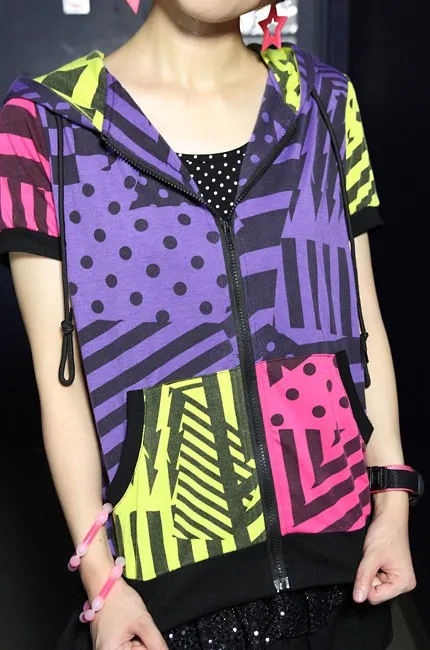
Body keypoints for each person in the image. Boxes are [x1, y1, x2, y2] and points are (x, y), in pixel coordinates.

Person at [0, 1, 421, 648]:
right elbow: (61, 386)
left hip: (345, 566)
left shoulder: (325, 100)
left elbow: (364, 314)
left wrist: (392, 497)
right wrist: (102, 583)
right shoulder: (43, 122)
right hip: (163, 590)